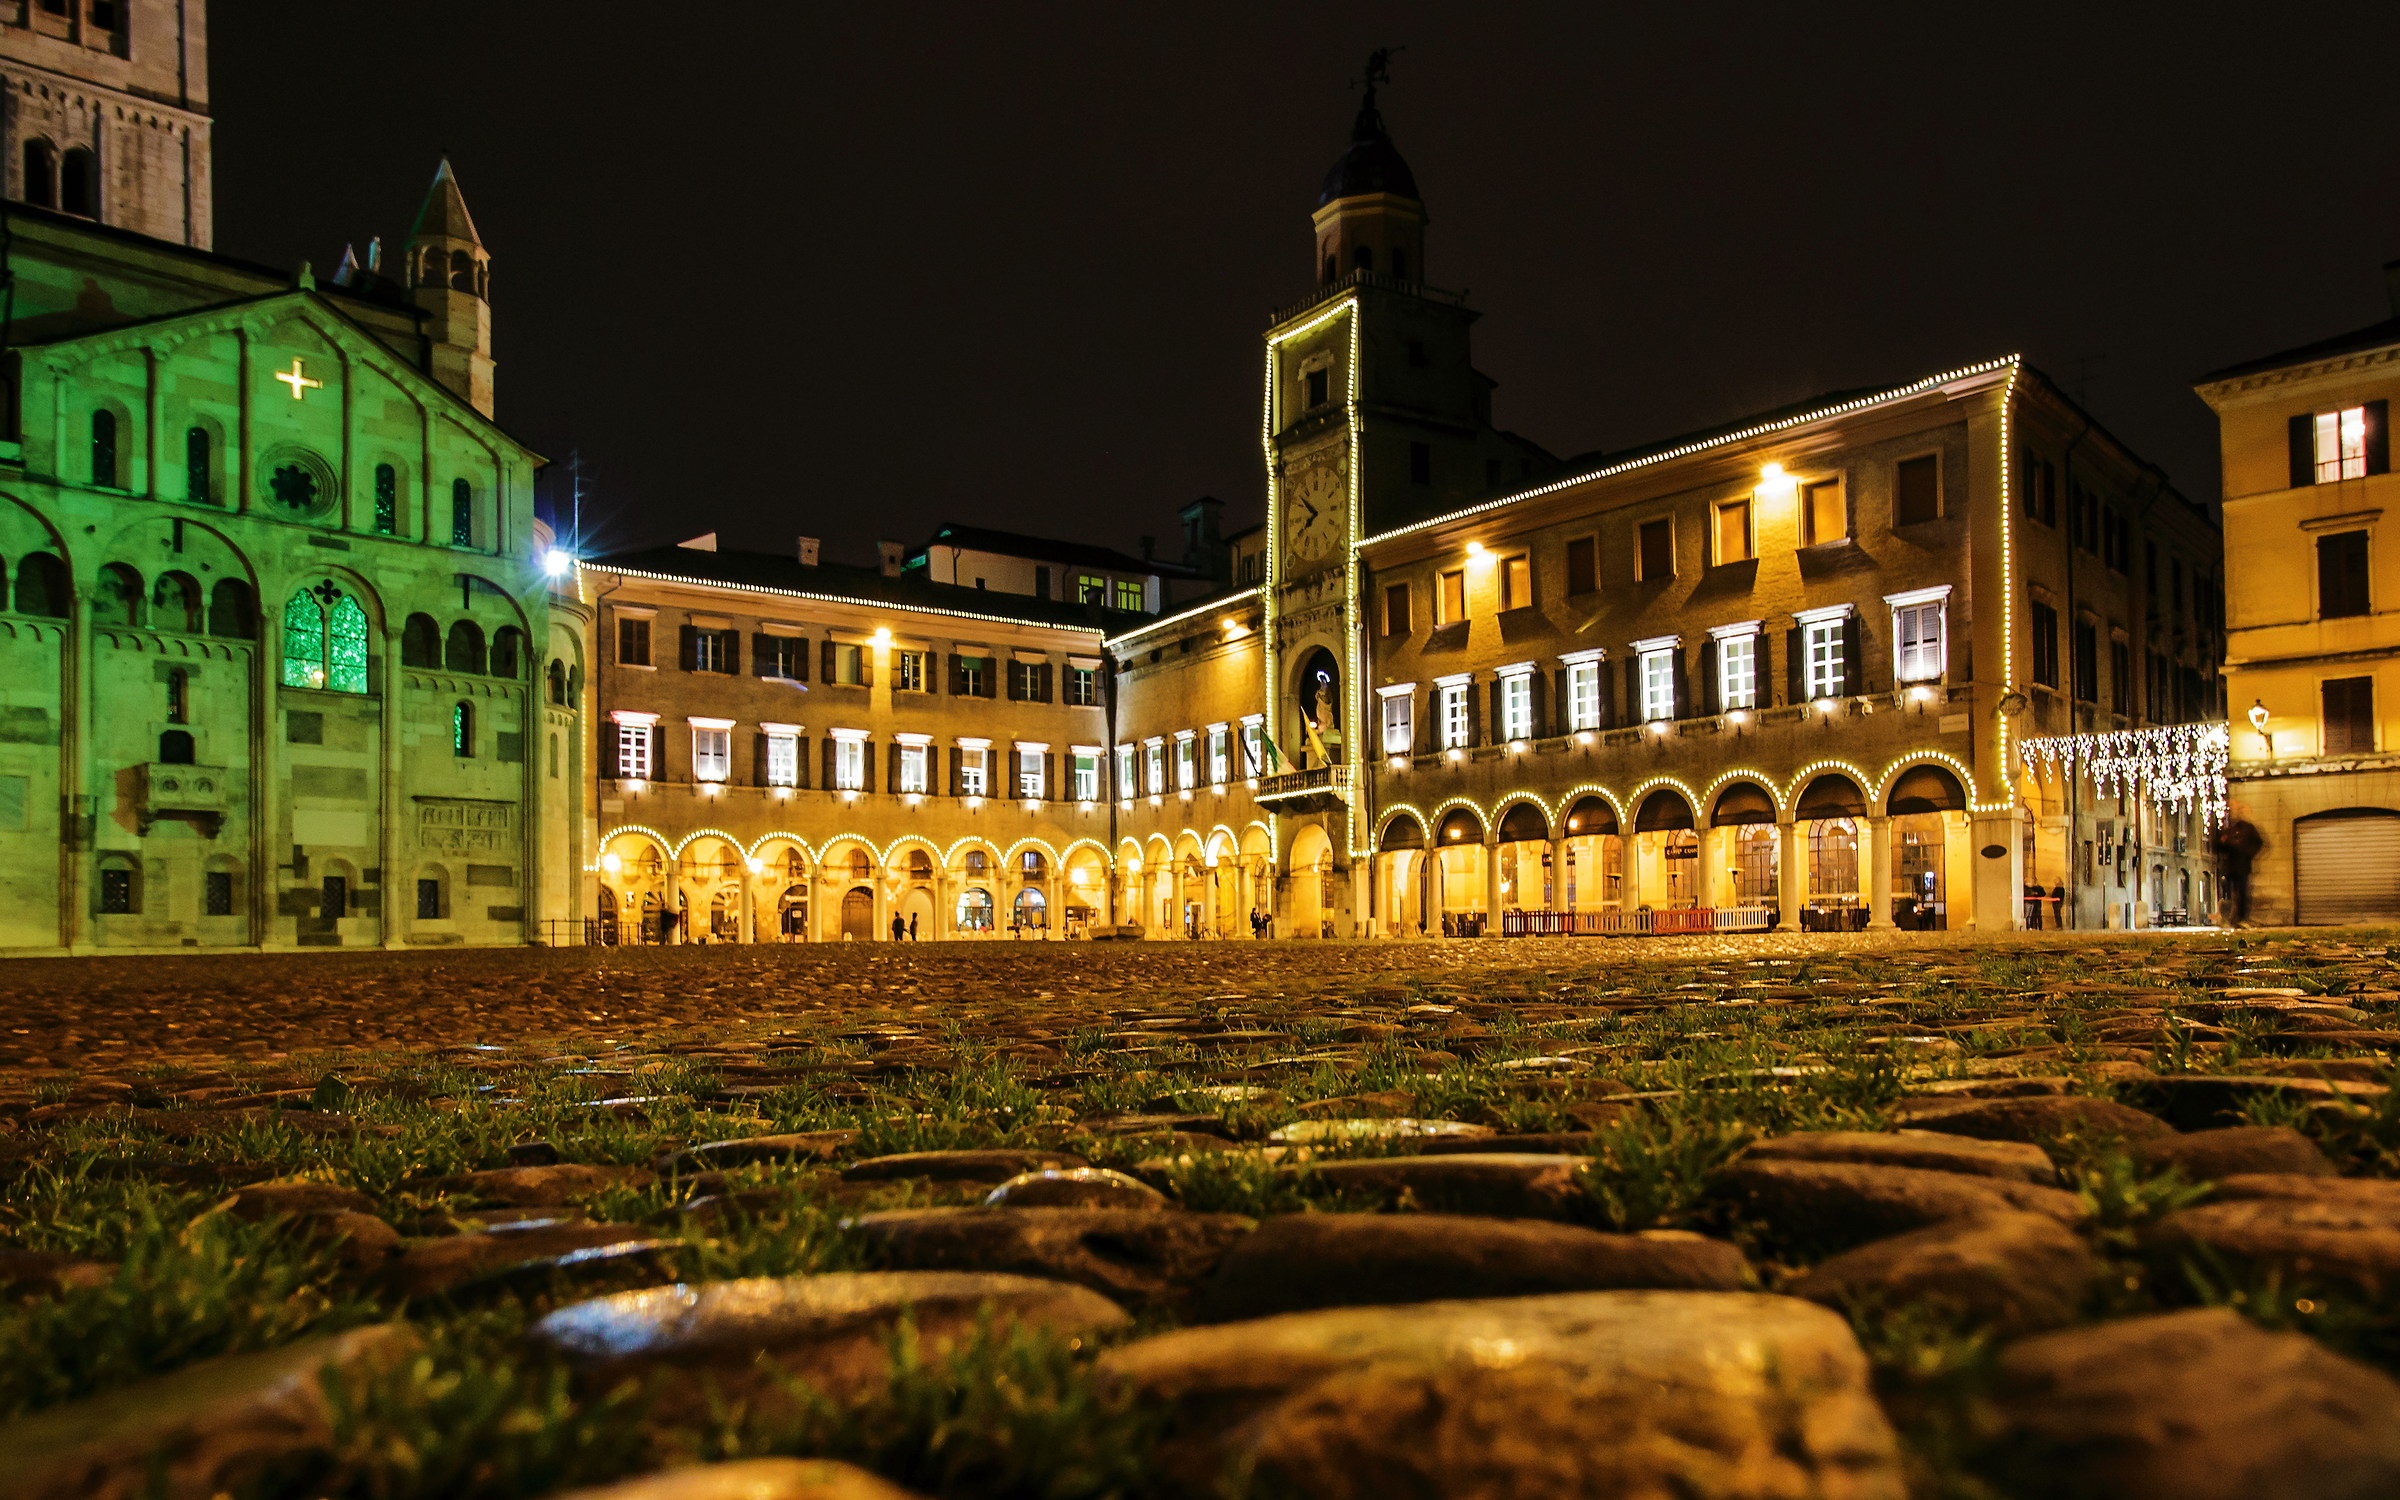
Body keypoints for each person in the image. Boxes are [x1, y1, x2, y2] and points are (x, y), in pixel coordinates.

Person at [2215, 805, 2264, 927]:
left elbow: (2258, 843)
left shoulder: (2248, 829)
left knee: (2242, 893)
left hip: (2242, 866)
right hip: (2230, 867)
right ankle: (2228, 917)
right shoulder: (2229, 829)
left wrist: (2248, 853)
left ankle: (2241, 918)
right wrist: (2222, 842)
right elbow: (2218, 846)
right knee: (2228, 893)